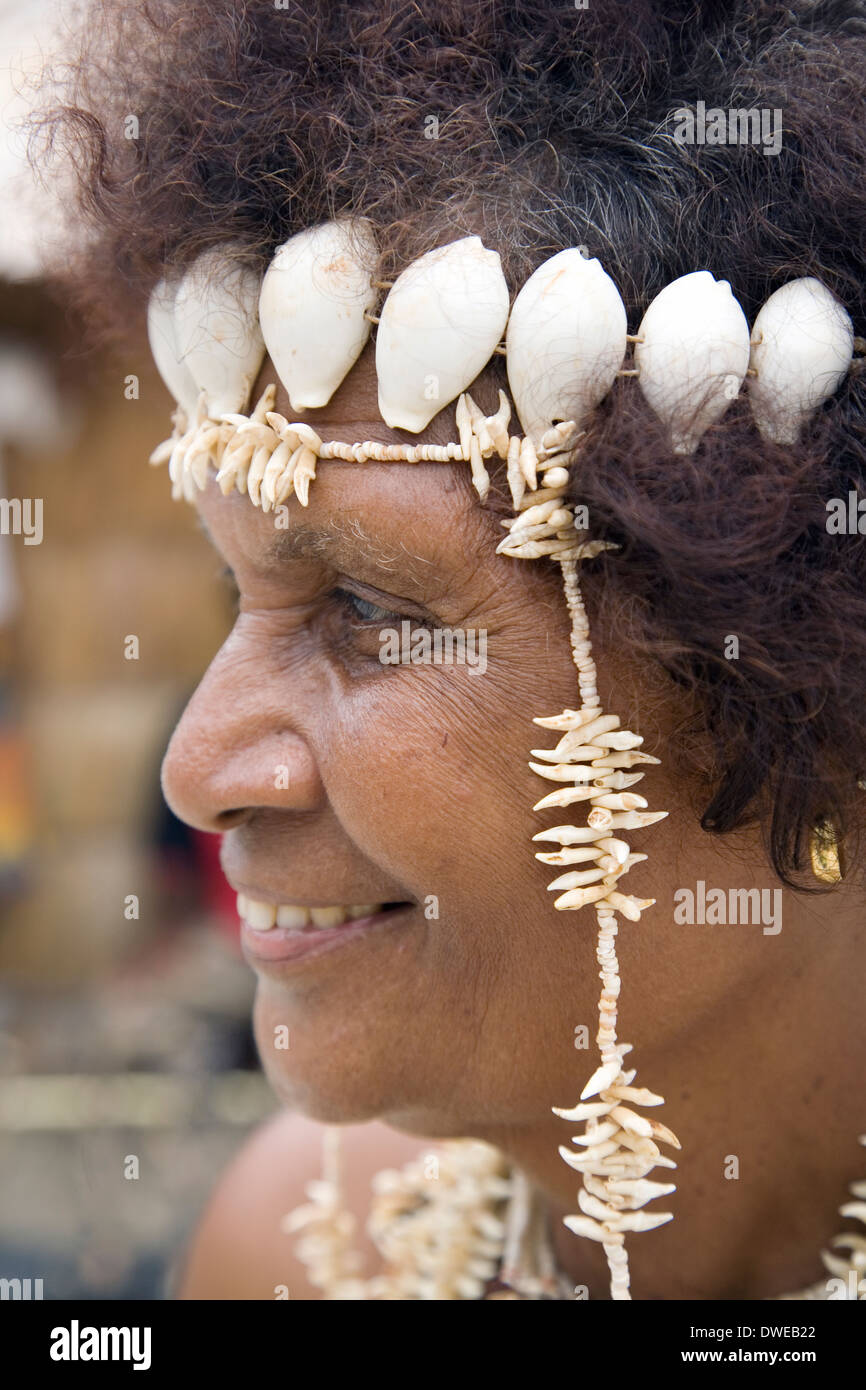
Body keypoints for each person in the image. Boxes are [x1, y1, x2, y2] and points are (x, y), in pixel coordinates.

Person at [35, 0, 866, 1300]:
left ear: (804, 688)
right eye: (230, 593)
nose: (196, 768)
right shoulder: (301, 1252)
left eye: (366, 608)